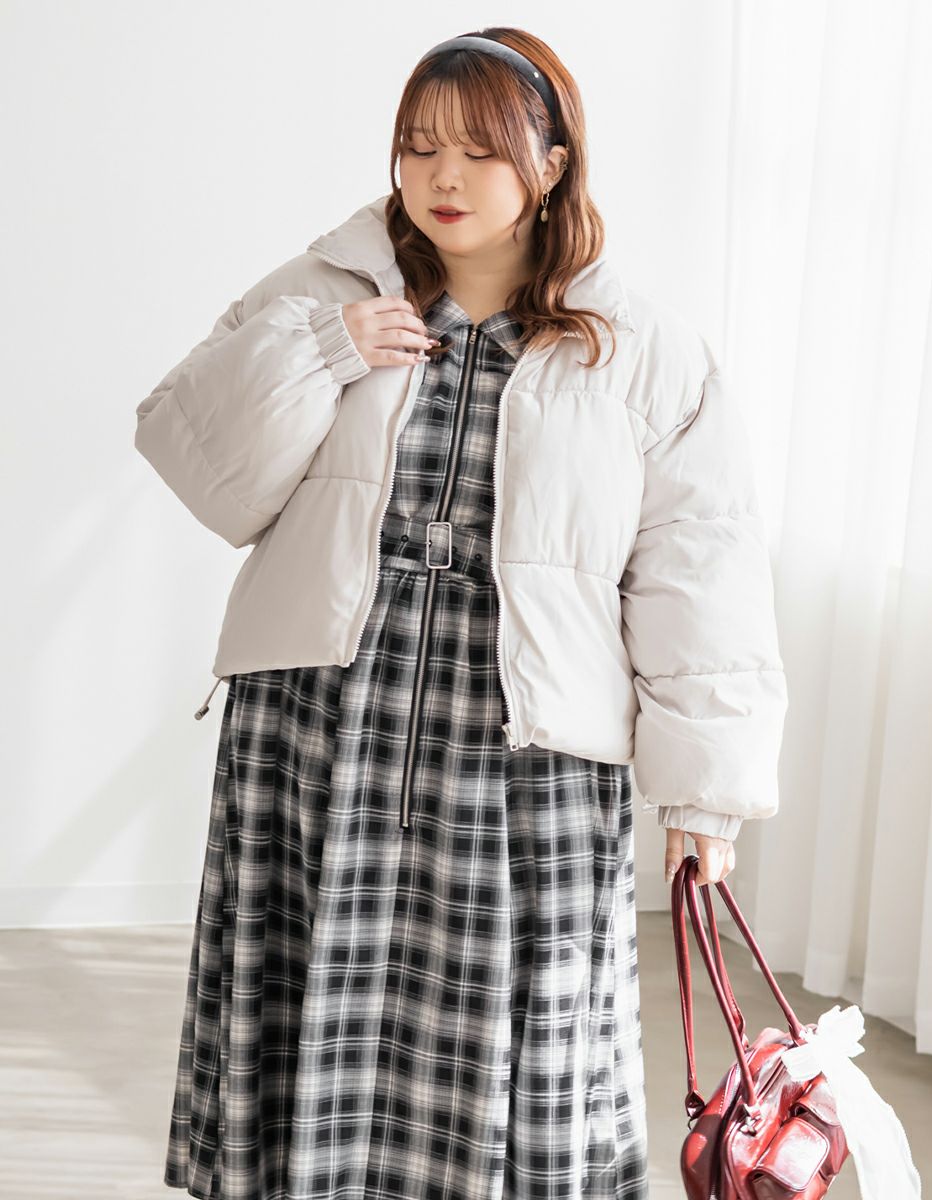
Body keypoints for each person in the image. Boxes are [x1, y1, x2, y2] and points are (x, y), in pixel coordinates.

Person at [135, 26, 787, 1200]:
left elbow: (701, 571)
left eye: (479, 152)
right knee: (310, 1012)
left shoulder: (644, 351)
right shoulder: (323, 292)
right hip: (320, 717)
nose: (442, 178)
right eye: (418, 147)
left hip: (522, 749)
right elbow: (195, 462)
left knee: (518, 1035)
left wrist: (707, 792)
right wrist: (320, 352)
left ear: (551, 161)